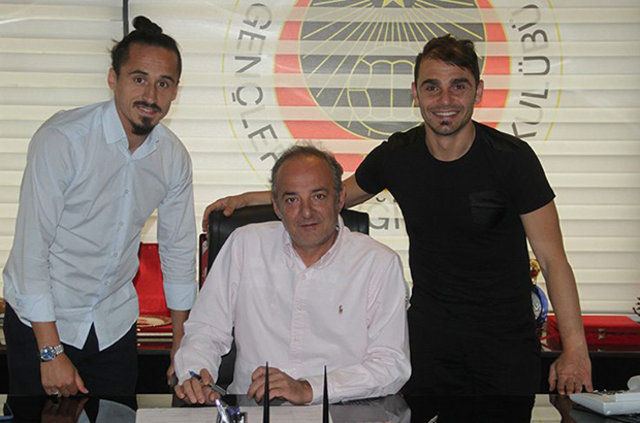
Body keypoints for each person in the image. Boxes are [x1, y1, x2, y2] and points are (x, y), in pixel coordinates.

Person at [202, 35, 592, 420]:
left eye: (458, 86)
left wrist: (575, 350)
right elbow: (332, 195)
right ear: (415, 93)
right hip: (429, 346)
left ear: (478, 91)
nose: (444, 100)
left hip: (504, 348)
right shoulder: (398, 155)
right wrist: (255, 198)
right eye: (432, 87)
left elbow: (552, 260)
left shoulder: (513, 160)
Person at [2, 16, 196, 397]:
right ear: (113, 79)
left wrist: (181, 341)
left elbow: (178, 251)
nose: (151, 96)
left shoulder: (173, 158)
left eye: (163, 83)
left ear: (175, 90)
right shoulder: (63, 140)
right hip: (43, 324)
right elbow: (31, 253)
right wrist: (50, 351)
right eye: (138, 79)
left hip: (113, 326)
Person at [174, 145, 410, 405]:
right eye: (292, 200)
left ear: (340, 198)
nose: (306, 212)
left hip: (340, 410)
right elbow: (206, 329)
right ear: (276, 206)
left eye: (318, 196)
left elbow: (391, 365)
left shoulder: (379, 263)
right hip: (253, 409)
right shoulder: (245, 245)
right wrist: (195, 374)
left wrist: (308, 389)